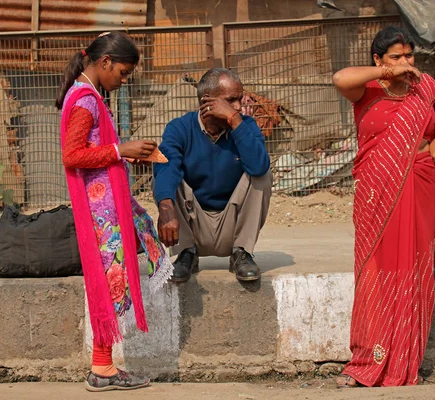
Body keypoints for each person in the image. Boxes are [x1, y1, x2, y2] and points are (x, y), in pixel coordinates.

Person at [332, 26, 435, 387]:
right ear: (378, 60)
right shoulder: (366, 89)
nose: (405, 63)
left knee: (410, 270)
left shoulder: (426, 89)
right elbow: (340, 77)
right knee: (373, 268)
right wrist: (387, 74)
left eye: (409, 56)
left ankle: (402, 363)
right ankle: (366, 361)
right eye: (396, 57)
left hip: (416, 186)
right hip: (374, 192)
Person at [55, 31, 173, 392]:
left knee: (113, 278)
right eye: (122, 73)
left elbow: (92, 148)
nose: (122, 81)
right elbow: (72, 155)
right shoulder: (86, 100)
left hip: (104, 203)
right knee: (110, 281)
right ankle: (102, 368)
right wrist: (121, 150)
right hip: (100, 210)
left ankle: (102, 366)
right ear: (104, 62)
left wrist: (126, 151)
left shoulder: (88, 95)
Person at [152, 68, 272, 283]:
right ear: (206, 101)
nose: (237, 106)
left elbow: (259, 166)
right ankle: (187, 253)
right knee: (165, 175)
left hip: (232, 224)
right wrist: (166, 207)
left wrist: (235, 121)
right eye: (230, 100)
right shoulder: (180, 128)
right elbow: (167, 165)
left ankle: (241, 253)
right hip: (193, 223)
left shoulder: (245, 125)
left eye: (239, 99)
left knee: (262, 174)